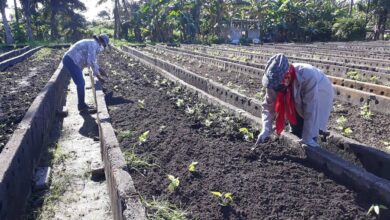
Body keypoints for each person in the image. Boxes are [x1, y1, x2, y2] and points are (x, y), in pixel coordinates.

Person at [256, 53, 334, 147]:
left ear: (287, 76)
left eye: (278, 85)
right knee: (295, 118)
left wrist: (307, 139)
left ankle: (312, 143)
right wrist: (266, 129)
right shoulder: (272, 82)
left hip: (320, 90)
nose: (275, 88)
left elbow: (311, 109)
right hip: (295, 91)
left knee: (311, 126)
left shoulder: (307, 75)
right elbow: (268, 106)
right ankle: (296, 134)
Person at [62, 33, 110, 113]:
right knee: (81, 83)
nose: (103, 48)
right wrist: (99, 77)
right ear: (102, 42)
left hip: (72, 60)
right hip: (71, 60)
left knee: (80, 82)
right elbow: (91, 62)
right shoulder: (93, 45)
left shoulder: (93, 43)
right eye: (104, 46)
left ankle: (82, 105)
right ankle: (82, 106)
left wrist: (100, 70)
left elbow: (92, 62)